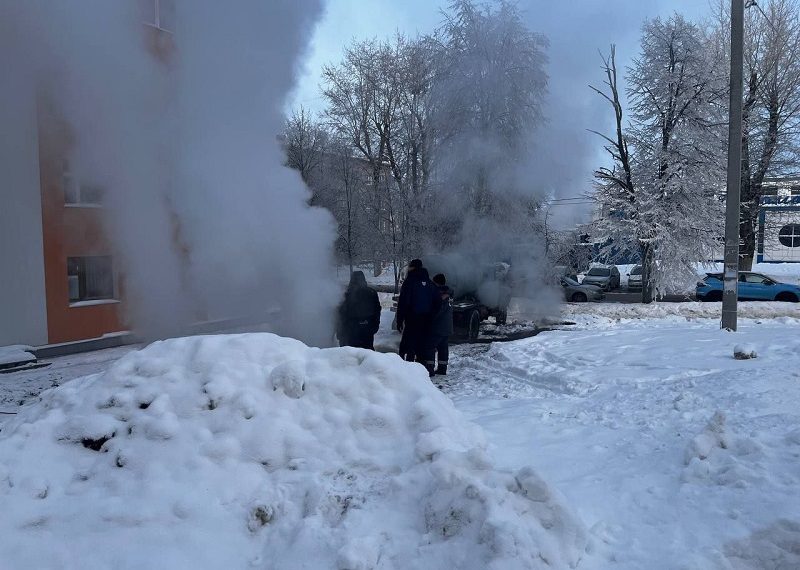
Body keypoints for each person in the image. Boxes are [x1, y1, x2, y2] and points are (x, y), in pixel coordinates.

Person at [396, 259, 441, 375]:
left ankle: (407, 372)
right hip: (427, 321)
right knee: (423, 346)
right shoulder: (430, 284)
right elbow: (438, 302)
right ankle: (422, 372)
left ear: (412, 268)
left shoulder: (409, 282)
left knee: (409, 346)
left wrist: (400, 320)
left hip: (412, 320)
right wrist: (431, 316)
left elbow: (403, 303)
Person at [336, 271, 381, 349]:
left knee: (350, 355)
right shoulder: (372, 293)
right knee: (367, 353)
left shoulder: (346, 294)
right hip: (367, 328)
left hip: (350, 331)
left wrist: (340, 332)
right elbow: (377, 311)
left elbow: (341, 314)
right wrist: (374, 326)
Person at [428, 273, 453, 375]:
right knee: (443, 348)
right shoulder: (449, 293)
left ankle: (429, 369)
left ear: (436, 282)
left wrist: (429, 320)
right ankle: (442, 369)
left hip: (437, 327)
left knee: (430, 347)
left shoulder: (439, 295)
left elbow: (437, 311)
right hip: (447, 327)